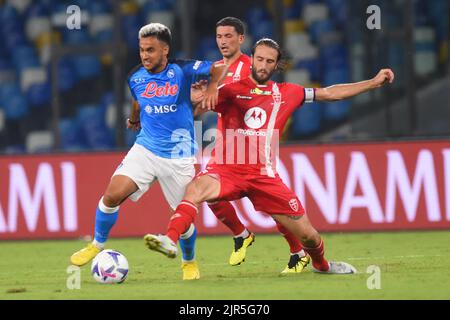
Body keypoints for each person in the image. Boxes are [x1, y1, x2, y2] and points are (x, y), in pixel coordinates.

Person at [144, 38, 395, 275]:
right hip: (226, 169)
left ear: (277, 65)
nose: (263, 65)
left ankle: (322, 265)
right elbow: (195, 106)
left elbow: (330, 93)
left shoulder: (289, 92)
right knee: (195, 190)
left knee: (308, 236)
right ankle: (170, 239)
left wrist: (373, 83)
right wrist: (194, 97)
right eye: (259, 59)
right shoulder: (230, 90)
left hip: (263, 177)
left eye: (269, 61)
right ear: (251, 59)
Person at [69, 23, 227, 281]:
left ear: (165, 50)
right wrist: (134, 119)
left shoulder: (183, 69)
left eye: (151, 50)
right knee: (112, 195)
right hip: (145, 148)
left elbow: (220, 66)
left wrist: (211, 89)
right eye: (142, 50)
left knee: (182, 217)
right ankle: (96, 244)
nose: (145, 56)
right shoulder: (135, 76)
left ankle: (189, 262)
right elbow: (137, 99)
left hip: (179, 153)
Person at [195, 17, 310, 274]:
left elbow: (266, 98)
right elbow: (204, 102)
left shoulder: (252, 65)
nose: (223, 41)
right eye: (219, 37)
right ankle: (241, 233)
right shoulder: (213, 69)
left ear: (240, 39)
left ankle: (297, 251)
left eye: (228, 36)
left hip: (256, 151)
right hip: (226, 149)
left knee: (274, 209)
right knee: (208, 194)